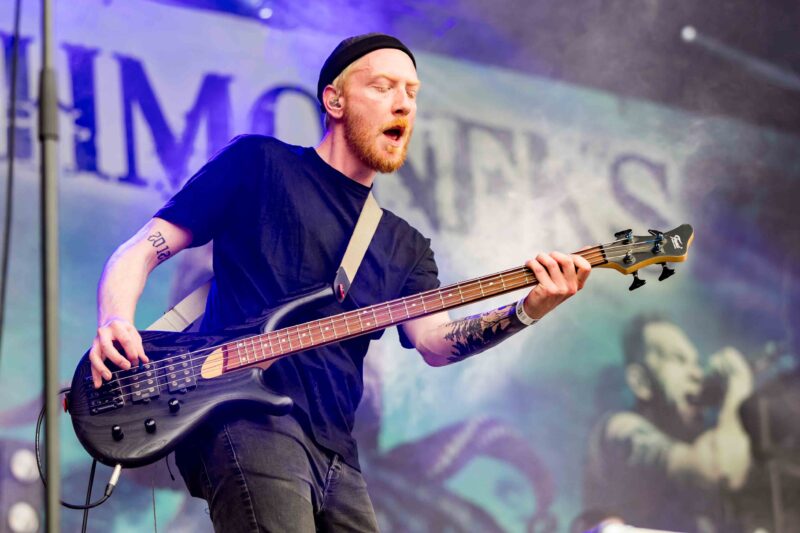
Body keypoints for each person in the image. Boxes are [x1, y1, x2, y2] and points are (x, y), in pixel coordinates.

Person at [88, 33, 592, 532]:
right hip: (251, 422)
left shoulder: (404, 245)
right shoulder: (260, 165)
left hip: (339, 457)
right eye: (383, 87)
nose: (403, 104)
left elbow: (437, 344)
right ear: (334, 100)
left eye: (412, 93)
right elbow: (142, 248)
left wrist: (527, 309)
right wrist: (115, 320)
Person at [583, 315, 753, 533]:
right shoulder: (619, 430)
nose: (697, 374)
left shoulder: (694, 441)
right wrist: (738, 387)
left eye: (697, 363)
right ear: (641, 382)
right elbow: (719, 472)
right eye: (679, 360)